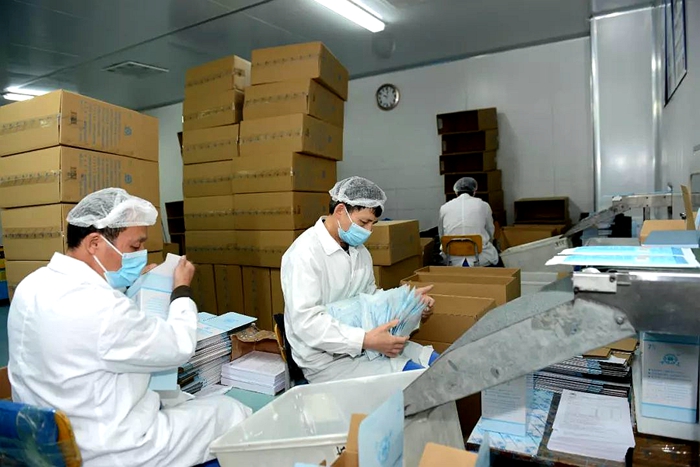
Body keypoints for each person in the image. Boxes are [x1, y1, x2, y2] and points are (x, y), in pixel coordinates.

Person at [7, 188, 251, 467]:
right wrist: (181, 291)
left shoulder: (32, 285)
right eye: (134, 247)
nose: (141, 256)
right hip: (108, 449)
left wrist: (129, 288)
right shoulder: (103, 308)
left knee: (177, 400)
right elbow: (179, 346)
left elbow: (93, 330)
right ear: (94, 243)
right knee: (231, 412)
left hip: (46, 442)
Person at [281, 176, 438, 384]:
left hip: (367, 342)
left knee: (437, 363)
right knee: (420, 380)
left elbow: (370, 298)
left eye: (373, 223)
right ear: (340, 211)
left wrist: (409, 304)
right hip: (326, 360)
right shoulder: (304, 254)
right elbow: (306, 322)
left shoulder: (360, 252)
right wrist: (365, 340)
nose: (369, 231)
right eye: (364, 222)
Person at [439, 177, 502, 267]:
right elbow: (490, 231)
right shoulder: (483, 205)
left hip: (452, 259)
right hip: (480, 258)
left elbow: (441, 235)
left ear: (456, 192)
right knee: (498, 261)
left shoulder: (444, 208)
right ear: (474, 192)